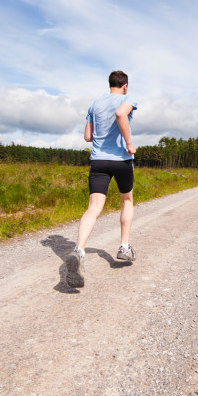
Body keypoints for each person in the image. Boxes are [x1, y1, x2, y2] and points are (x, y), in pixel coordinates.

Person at [66, 70, 137, 288]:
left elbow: (88, 136)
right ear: (125, 86)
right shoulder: (128, 99)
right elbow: (120, 114)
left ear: (110, 84)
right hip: (121, 160)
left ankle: (79, 249)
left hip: (98, 161)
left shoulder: (95, 104)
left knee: (94, 207)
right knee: (126, 200)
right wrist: (128, 143)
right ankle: (124, 247)